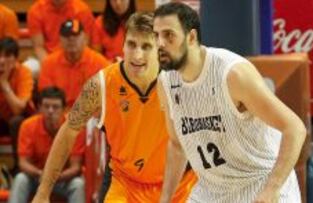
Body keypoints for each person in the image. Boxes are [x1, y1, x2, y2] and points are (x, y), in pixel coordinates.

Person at [31, 12, 196, 203]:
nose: (137, 55)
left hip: (180, 184)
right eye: (132, 44)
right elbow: (69, 130)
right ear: (123, 45)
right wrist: (43, 192)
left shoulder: (181, 80)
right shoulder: (100, 85)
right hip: (127, 185)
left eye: (146, 46)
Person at [153, 2, 306, 203]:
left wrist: (273, 188)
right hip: (212, 190)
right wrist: (164, 199)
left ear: (191, 37)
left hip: (259, 182)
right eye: (156, 35)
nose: (160, 43)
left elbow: (295, 128)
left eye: (168, 35)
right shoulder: (165, 83)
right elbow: (177, 145)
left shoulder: (233, 74)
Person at [8, 87, 85, 203]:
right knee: (20, 179)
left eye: (55, 107)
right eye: (46, 106)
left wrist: (53, 176)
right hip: (36, 177)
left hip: (62, 178)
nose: (50, 111)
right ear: (39, 108)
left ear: (64, 109)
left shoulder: (75, 128)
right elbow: (23, 163)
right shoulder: (27, 126)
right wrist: (41, 174)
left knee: (78, 184)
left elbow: (76, 167)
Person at [38, 19, 109, 108]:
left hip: (90, 114)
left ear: (84, 37)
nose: (71, 39)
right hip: (60, 115)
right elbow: (47, 98)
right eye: (66, 36)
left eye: (75, 35)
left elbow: (106, 97)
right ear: (60, 39)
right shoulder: (49, 64)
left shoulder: (99, 63)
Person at [0, 37, 33, 171]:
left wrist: (4, 83)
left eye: (7, 56)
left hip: (19, 120)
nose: (1, 60)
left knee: (16, 122)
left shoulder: (24, 72)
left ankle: (18, 169)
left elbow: (18, 110)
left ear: (15, 59)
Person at [27, 0, 95, 62]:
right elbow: (39, 47)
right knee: (30, 68)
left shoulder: (82, 10)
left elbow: (85, 44)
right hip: (47, 57)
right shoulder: (36, 10)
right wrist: (49, 65)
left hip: (75, 56)